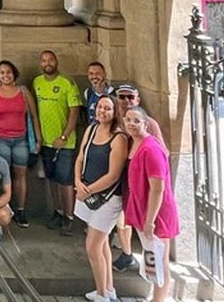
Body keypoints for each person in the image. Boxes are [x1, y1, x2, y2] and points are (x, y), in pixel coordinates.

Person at [74, 96, 129, 302]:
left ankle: (102, 294)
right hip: (87, 192)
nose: (102, 111)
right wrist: (78, 181)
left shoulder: (119, 138)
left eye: (107, 108)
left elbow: (113, 175)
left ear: (115, 112)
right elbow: (81, 157)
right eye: (100, 107)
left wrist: (88, 190)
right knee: (102, 241)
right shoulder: (91, 130)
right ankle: (108, 288)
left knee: (92, 246)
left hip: (107, 198)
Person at [123, 106, 180, 302]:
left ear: (146, 124)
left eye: (136, 121)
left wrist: (150, 221)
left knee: (160, 259)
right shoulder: (136, 144)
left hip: (157, 213)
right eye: (128, 119)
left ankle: (159, 299)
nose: (131, 124)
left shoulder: (151, 148)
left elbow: (157, 188)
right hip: (145, 210)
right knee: (152, 257)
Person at [113, 83, 166, 272]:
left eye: (130, 97)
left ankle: (151, 262)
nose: (126, 101)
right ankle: (127, 253)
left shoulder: (149, 124)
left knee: (143, 224)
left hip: (144, 181)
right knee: (124, 219)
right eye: (122, 97)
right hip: (123, 178)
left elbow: (161, 154)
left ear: (137, 99)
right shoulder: (116, 120)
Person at [0, 59, 40, 228]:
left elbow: (34, 116)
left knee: (20, 175)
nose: (5, 75)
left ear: (14, 74)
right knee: (2, 175)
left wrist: (38, 139)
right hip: (0, 139)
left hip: (21, 140)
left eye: (8, 72)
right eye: (2, 72)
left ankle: (20, 210)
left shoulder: (23, 92)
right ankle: (3, 208)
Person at [33, 49, 82, 235]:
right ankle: (58, 211)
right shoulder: (37, 82)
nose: (47, 63)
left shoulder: (67, 83)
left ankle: (69, 217)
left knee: (65, 180)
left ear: (56, 62)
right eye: (44, 60)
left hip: (64, 143)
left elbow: (74, 112)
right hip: (46, 142)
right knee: (51, 178)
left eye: (50, 60)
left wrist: (64, 136)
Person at [83, 61, 115, 126]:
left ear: (104, 74)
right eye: (91, 74)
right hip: (93, 131)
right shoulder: (88, 93)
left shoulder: (114, 93)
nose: (94, 76)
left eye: (97, 73)